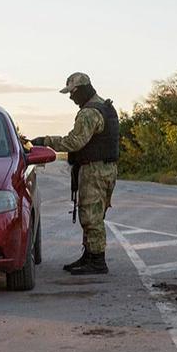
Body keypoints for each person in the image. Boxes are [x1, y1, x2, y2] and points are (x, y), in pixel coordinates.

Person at [31, 73, 119, 276]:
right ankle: (89, 256)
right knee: (91, 214)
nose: (71, 98)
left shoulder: (89, 113)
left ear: (80, 90)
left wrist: (44, 141)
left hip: (95, 170)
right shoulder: (103, 107)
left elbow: (74, 142)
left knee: (91, 216)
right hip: (102, 168)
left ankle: (97, 261)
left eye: (72, 93)